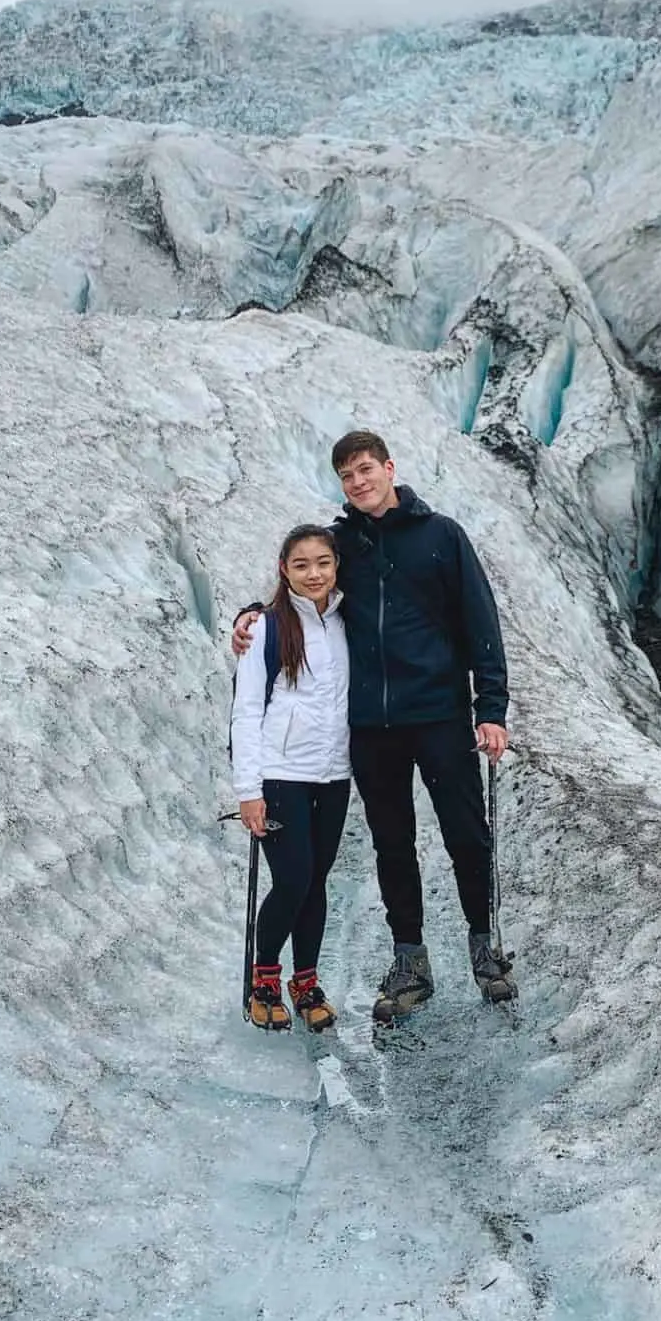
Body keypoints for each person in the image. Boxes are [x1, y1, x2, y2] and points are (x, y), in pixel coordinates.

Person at [235, 431, 512, 1025]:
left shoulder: (442, 537)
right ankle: (410, 961)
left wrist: (490, 708)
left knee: (467, 833)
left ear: (389, 468)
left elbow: (480, 621)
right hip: (372, 728)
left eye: (366, 470)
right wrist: (249, 615)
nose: (358, 482)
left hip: (438, 714)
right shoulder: (341, 545)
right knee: (393, 843)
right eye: (347, 476)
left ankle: (485, 949)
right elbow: (296, 588)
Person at [229, 524, 350, 1032]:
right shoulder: (266, 628)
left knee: (316, 882)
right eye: (301, 565)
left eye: (323, 562)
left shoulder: (347, 622)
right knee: (293, 879)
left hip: (334, 773)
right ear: (284, 570)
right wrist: (248, 790)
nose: (314, 573)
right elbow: (246, 708)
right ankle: (265, 979)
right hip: (281, 775)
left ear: (336, 566)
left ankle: (305, 981)